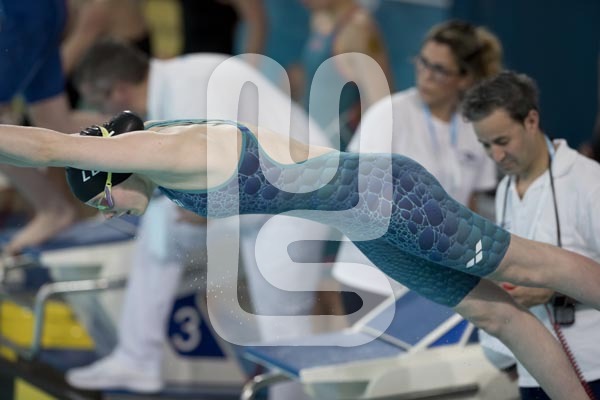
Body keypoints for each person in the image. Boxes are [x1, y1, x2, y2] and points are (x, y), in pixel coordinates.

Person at [1, 110, 600, 399]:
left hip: (390, 197)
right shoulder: (165, 162)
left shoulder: (165, 152)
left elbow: (47, 146)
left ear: (111, 170)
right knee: (496, 315)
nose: (109, 213)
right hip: (366, 221)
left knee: (531, 265)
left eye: (104, 200)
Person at [65, 42, 332, 395]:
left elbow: (224, 178)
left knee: (282, 324)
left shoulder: (189, 94)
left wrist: (198, 210)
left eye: (98, 105)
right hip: (261, 195)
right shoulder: (175, 85)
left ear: (118, 91)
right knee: (160, 228)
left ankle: (292, 392)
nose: (105, 117)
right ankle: (137, 358)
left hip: (300, 198)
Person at [333, 20, 503, 318]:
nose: (426, 75)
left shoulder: (474, 129)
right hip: (371, 278)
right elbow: (356, 194)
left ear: (464, 78)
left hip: (434, 281)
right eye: (422, 63)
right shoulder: (389, 114)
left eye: (439, 70)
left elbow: (469, 207)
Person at [462, 71, 600, 399]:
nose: (496, 156)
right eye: (485, 145)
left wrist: (557, 290)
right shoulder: (506, 190)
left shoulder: (588, 182)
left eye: (502, 141)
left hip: (592, 368)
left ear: (531, 121)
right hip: (532, 373)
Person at [0, 0, 104, 255]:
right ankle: (154, 126)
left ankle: (53, 209)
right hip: (41, 12)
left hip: (21, 16)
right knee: (56, 121)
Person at [300, 0, 393, 150]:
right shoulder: (321, 20)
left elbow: (382, 106)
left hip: (340, 154)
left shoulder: (358, 31)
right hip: (312, 146)